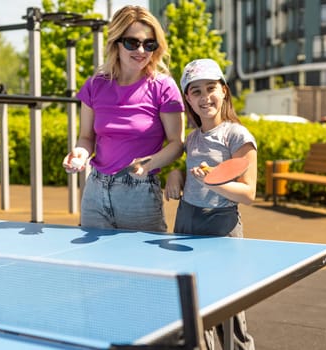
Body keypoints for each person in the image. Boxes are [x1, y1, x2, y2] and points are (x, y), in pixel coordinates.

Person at [62, 5, 185, 232]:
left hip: (140, 195)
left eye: (149, 44)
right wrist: (80, 153)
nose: (141, 50)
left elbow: (177, 144)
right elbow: (86, 137)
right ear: (116, 43)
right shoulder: (95, 85)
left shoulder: (164, 87)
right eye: (132, 42)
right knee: (94, 265)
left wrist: (147, 164)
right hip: (96, 191)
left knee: (142, 265)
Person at [164, 58, 257, 350]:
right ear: (188, 100)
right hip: (187, 220)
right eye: (196, 92)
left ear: (224, 90)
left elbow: (248, 193)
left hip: (221, 225)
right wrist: (176, 174)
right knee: (194, 309)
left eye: (210, 88)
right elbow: (193, 174)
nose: (205, 98)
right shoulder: (191, 139)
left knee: (229, 310)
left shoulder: (237, 135)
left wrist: (213, 182)